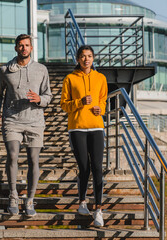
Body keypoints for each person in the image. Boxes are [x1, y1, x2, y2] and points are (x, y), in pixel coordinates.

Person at [0, 34, 52, 217]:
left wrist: (40, 99)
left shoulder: (41, 69)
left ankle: (30, 200)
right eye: (20, 45)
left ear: (31, 48)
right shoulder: (5, 70)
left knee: (34, 159)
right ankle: (13, 195)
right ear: (16, 48)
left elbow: (48, 96)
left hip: (35, 121)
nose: (24, 48)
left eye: (27, 45)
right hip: (12, 120)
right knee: (12, 155)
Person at [60, 45, 107, 227]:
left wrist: (100, 109)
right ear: (78, 59)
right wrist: (80, 102)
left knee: (97, 168)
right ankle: (82, 203)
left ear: (93, 58)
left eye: (89, 56)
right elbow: (64, 105)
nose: (86, 59)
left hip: (96, 127)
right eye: (82, 56)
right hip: (77, 128)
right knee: (84, 167)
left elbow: (103, 99)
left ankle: (98, 210)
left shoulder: (100, 78)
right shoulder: (70, 79)